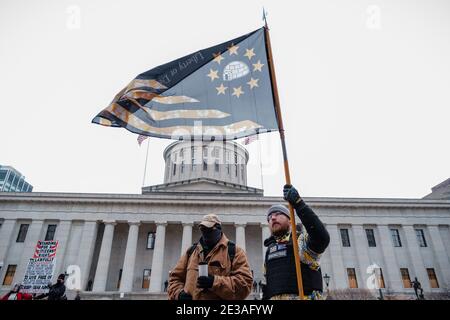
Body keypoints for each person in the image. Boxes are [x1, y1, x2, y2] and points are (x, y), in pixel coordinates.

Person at [262, 184, 330, 300]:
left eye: (278, 214)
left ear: (290, 220)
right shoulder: (270, 250)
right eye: (269, 218)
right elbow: (267, 289)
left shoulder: (299, 241)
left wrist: (299, 204)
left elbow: (321, 238)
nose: (272, 218)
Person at [168, 214, 253, 300]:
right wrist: (179, 294)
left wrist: (214, 282)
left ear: (219, 228)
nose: (205, 232)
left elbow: (245, 284)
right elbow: (175, 278)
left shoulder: (235, 252)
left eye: (209, 229)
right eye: (203, 229)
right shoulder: (191, 252)